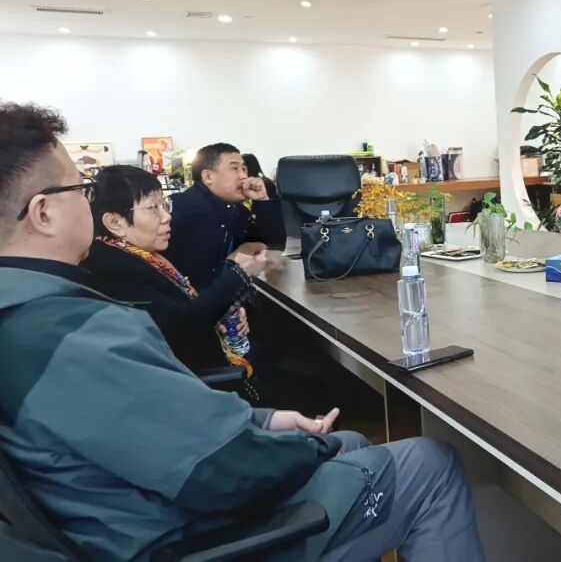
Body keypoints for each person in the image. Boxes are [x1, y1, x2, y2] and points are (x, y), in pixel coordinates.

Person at [0, 102, 484, 561]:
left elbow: (156, 422)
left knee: (353, 442)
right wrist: (308, 446)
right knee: (429, 464)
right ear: (44, 213)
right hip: (188, 534)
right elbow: (223, 469)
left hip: (133, 515)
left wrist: (264, 421)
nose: (89, 198)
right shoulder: (74, 334)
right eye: (79, 187)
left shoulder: (30, 315)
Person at [83, 165, 262, 373]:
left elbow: (178, 308)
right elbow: (182, 327)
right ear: (115, 222)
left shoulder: (137, 255)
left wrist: (220, 312)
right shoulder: (115, 270)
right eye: (153, 208)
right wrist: (238, 274)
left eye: (164, 204)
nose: (167, 216)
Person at [164, 143, 286, 289]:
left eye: (244, 169)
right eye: (234, 169)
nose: (243, 176)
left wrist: (262, 201)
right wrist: (233, 261)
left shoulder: (237, 210)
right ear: (208, 176)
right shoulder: (179, 210)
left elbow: (274, 246)